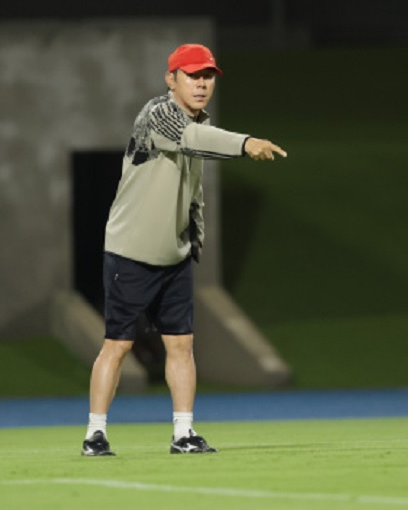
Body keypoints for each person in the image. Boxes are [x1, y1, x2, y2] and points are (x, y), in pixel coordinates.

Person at [82, 43, 287, 457]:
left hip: (172, 257)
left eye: (208, 76)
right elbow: (192, 140)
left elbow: (191, 189)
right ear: (170, 79)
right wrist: (246, 143)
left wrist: (193, 237)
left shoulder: (197, 120)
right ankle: (95, 434)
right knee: (118, 345)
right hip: (131, 251)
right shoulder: (158, 115)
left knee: (181, 345)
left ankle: (183, 433)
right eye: (193, 75)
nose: (201, 84)